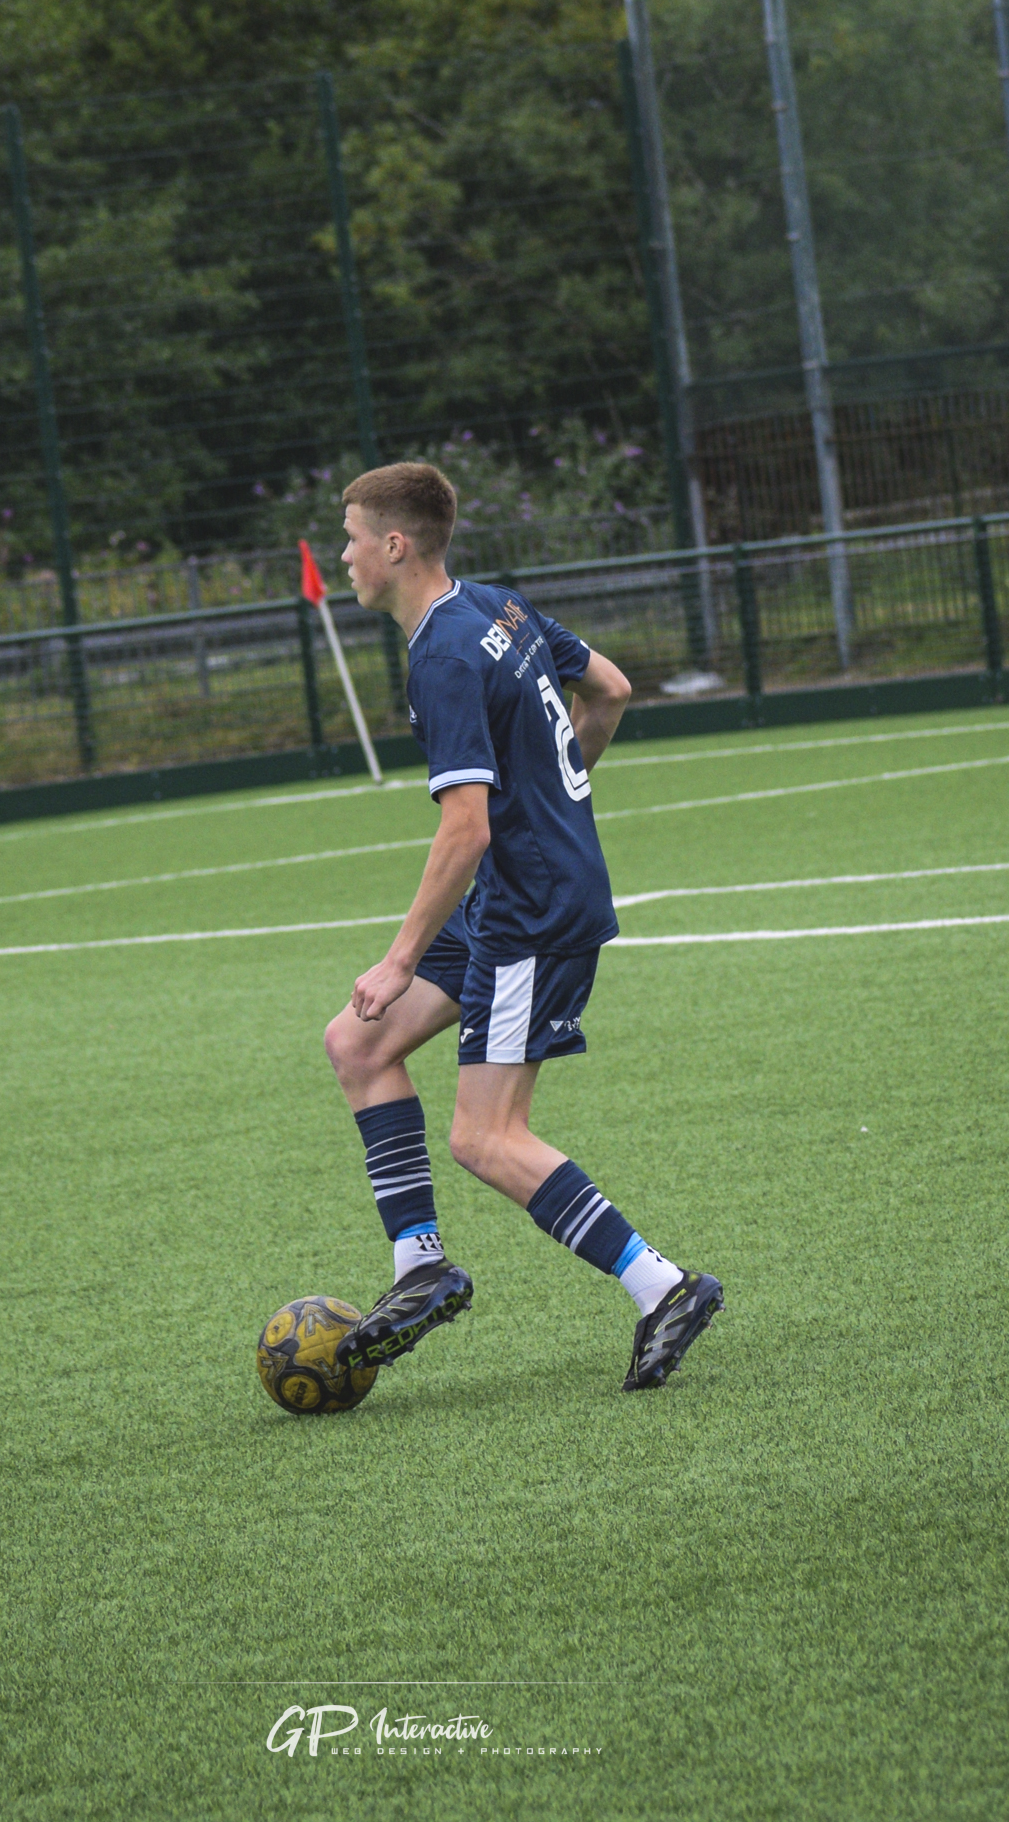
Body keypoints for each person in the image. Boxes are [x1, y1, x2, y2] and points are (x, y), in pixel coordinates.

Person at [324, 460, 722, 1393]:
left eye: (349, 537)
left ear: (394, 545)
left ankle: (662, 1286)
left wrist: (397, 959)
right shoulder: (495, 607)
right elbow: (611, 690)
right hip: (522, 888)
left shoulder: (444, 656)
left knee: (485, 1138)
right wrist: (560, 796)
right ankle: (417, 1265)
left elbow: (464, 825)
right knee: (357, 1042)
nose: (342, 556)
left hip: (528, 912)